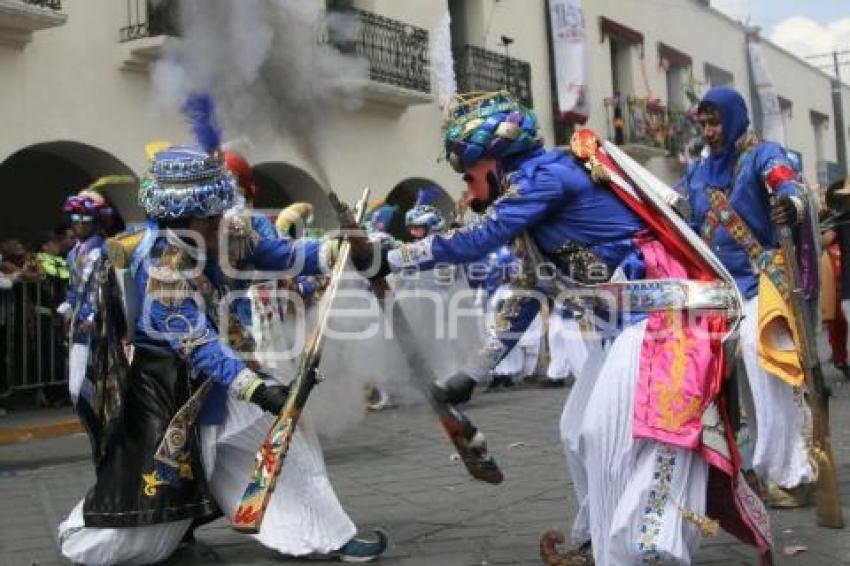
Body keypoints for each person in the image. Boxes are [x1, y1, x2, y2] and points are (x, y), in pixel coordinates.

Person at [378, 91, 772, 564]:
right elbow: (529, 293)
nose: (468, 188)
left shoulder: (546, 175)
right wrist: (475, 372)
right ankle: (597, 541)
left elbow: (477, 239)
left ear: (495, 160)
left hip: (661, 322)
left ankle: (639, 552)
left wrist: (390, 257)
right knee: (576, 431)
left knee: (610, 435)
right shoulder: (534, 199)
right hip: (626, 328)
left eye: (469, 175)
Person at [57, 143, 386, 564]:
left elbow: (277, 255)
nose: (221, 225)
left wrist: (337, 249)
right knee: (143, 528)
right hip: (169, 391)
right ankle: (97, 539)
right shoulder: (160, 263)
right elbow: (195, 341)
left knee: (282, 444)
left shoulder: (217, 236)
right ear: (184, 217)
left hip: (222, 381)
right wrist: (257, 388)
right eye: (211, 218)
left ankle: (328, 536)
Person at [680, 86, 816, 508]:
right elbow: (671, 203)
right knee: (720, 378)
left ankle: (794, 472)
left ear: (734, 118)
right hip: (716, 289)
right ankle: (759, 464)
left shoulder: (762, 154)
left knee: (768, 367)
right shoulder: (697, 171)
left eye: (715, 122)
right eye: (702, 123)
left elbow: (787, 182)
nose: (708, 131)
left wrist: (790, 204)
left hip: (763, 283)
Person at [56, 193, 109, 406]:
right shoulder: (73, 253)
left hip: (99, 320)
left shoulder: (103, 249)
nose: (80, 225)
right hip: (79, 321)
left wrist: (95, 315)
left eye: (85, 220)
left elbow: (103, 287)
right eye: (76, 220)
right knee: (76, 383)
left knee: (98, 375)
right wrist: (67, 308)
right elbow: (74, 288)